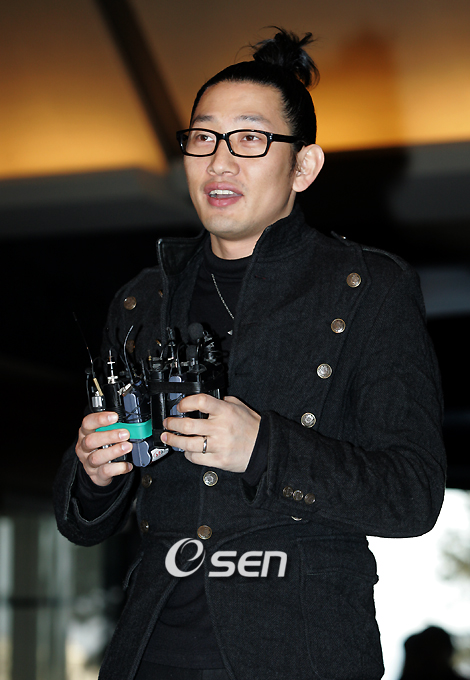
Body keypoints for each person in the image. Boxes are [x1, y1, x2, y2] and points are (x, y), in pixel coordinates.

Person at [54, 29, 446, 680]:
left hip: (300, 650)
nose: (220, 162)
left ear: (304, 166)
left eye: (250, 140)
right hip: (149, 650)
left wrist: (265, 449)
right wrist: (95, 473)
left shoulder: (368, 287)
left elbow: (412, 496)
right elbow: (87, 523)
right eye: (203, 138)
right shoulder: (142, 300)